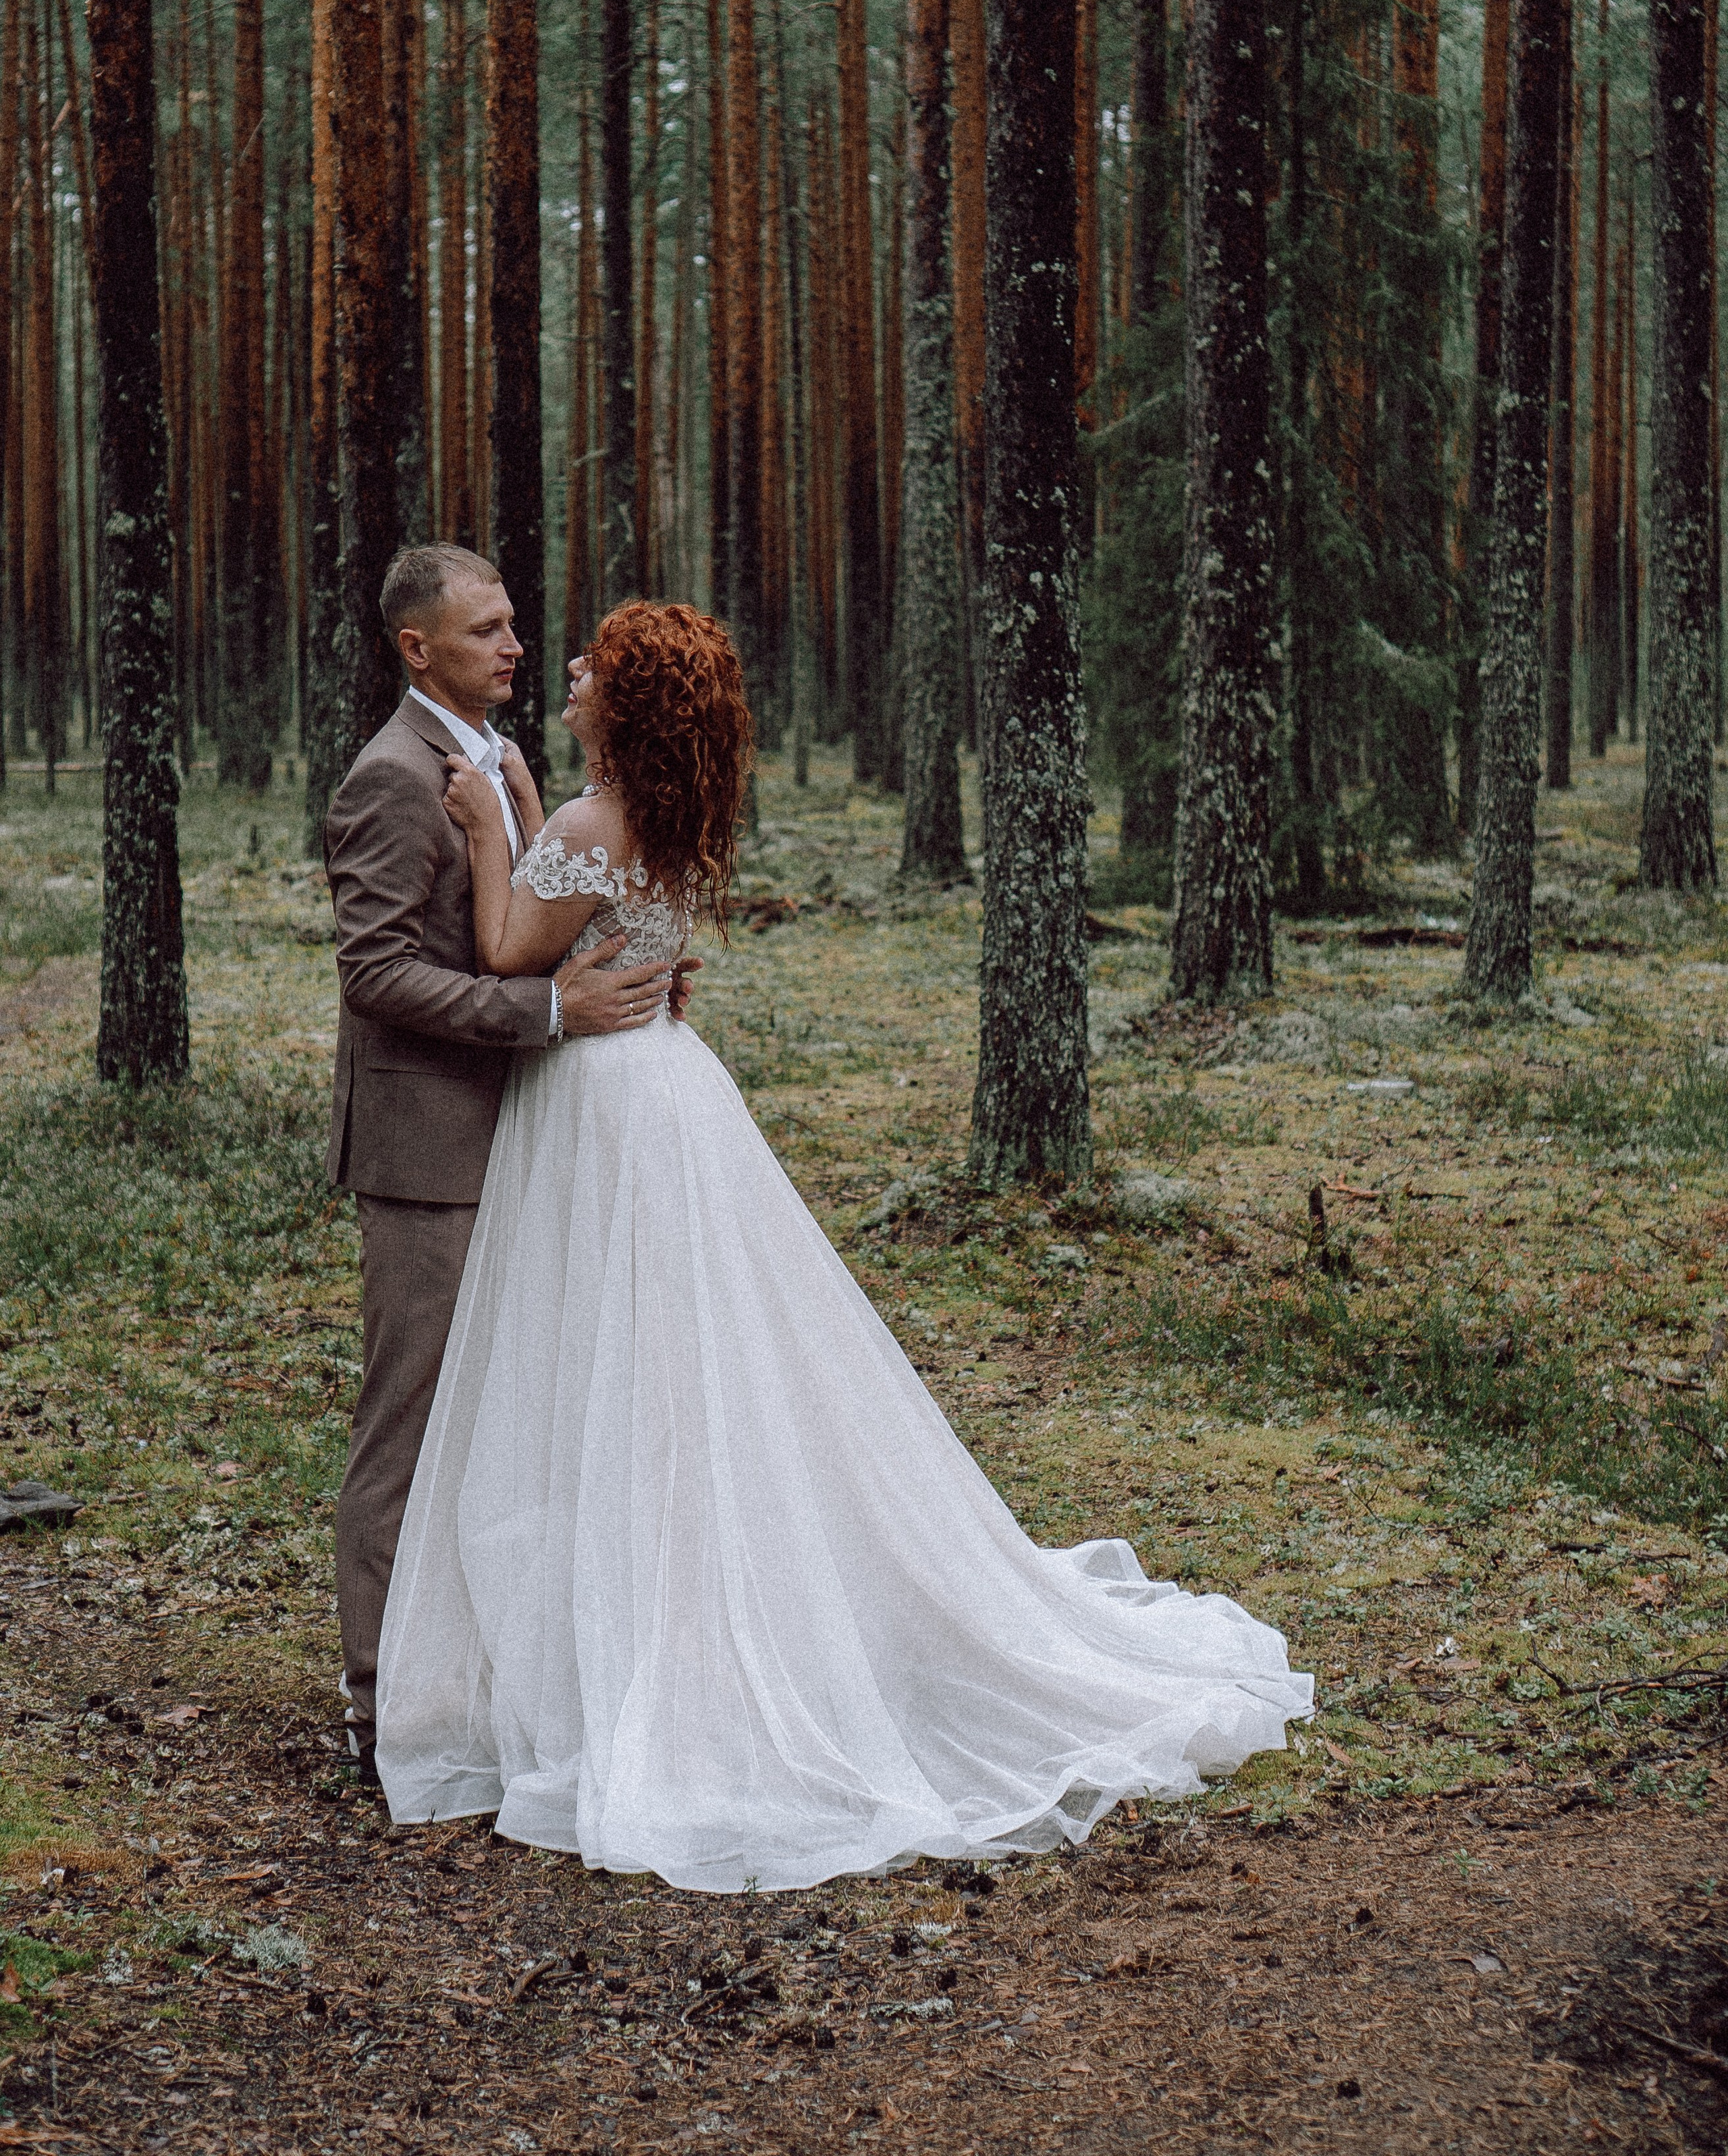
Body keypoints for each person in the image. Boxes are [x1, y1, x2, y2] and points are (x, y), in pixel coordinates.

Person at [375, 599, 1312, 1893]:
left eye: (595, 665)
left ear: (628, 707)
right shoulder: (657, 816)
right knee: (679, 1367)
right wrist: (529, 802)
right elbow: (591, 918)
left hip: (602, 1107)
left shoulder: (586, 828)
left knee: (616, 1362)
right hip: (665, 1091)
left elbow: (504, 947)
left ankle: (644, 1642)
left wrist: (490, 829)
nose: (571, 670)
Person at [323, 545, 699, 1786]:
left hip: (547, 1143)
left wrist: (616, 956)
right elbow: (377, 973)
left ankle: (502, 1685)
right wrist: (551, 1015)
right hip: (433, 1149)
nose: (515, 647)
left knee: (526, 1420)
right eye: (484, 631)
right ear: (416, 649)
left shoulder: (511, 770)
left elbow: (550, 917)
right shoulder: (392, 778)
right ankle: (384, 1706)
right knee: (416, 1420)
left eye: (515, 626)